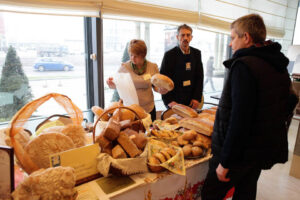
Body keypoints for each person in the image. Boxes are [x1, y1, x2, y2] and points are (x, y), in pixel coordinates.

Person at [201, 14, 298, 200]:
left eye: (232, 38)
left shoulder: (244, 66)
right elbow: (289, 103)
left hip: (239, 154)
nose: (230, 44)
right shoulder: (277, 64)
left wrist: (226, 161)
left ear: (246, 37)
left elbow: (240, 119)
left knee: (210, 195)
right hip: (260, 150)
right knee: (246, 193)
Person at [106, 39, 168, 121]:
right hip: (130, 111)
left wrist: (161, 90)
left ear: (143, 55)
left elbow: (155, 87)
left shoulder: (153, 67)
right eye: (131, 55)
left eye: (136, 56)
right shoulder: (124, 67)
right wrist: (110, 83)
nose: (132, 58)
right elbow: (116, 85)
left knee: (149, 132)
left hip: (149, 108)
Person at [160, 24, 203, 109]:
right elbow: (164, 80)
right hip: (174, 100)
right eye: (182, 35)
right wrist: (169, 101)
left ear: (191, 37)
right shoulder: (169, 55)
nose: (185, 38)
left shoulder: (196, 53)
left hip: (191, 100)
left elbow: (199, 77)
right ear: (177, 37)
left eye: (188, 35)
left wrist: (196, 98)